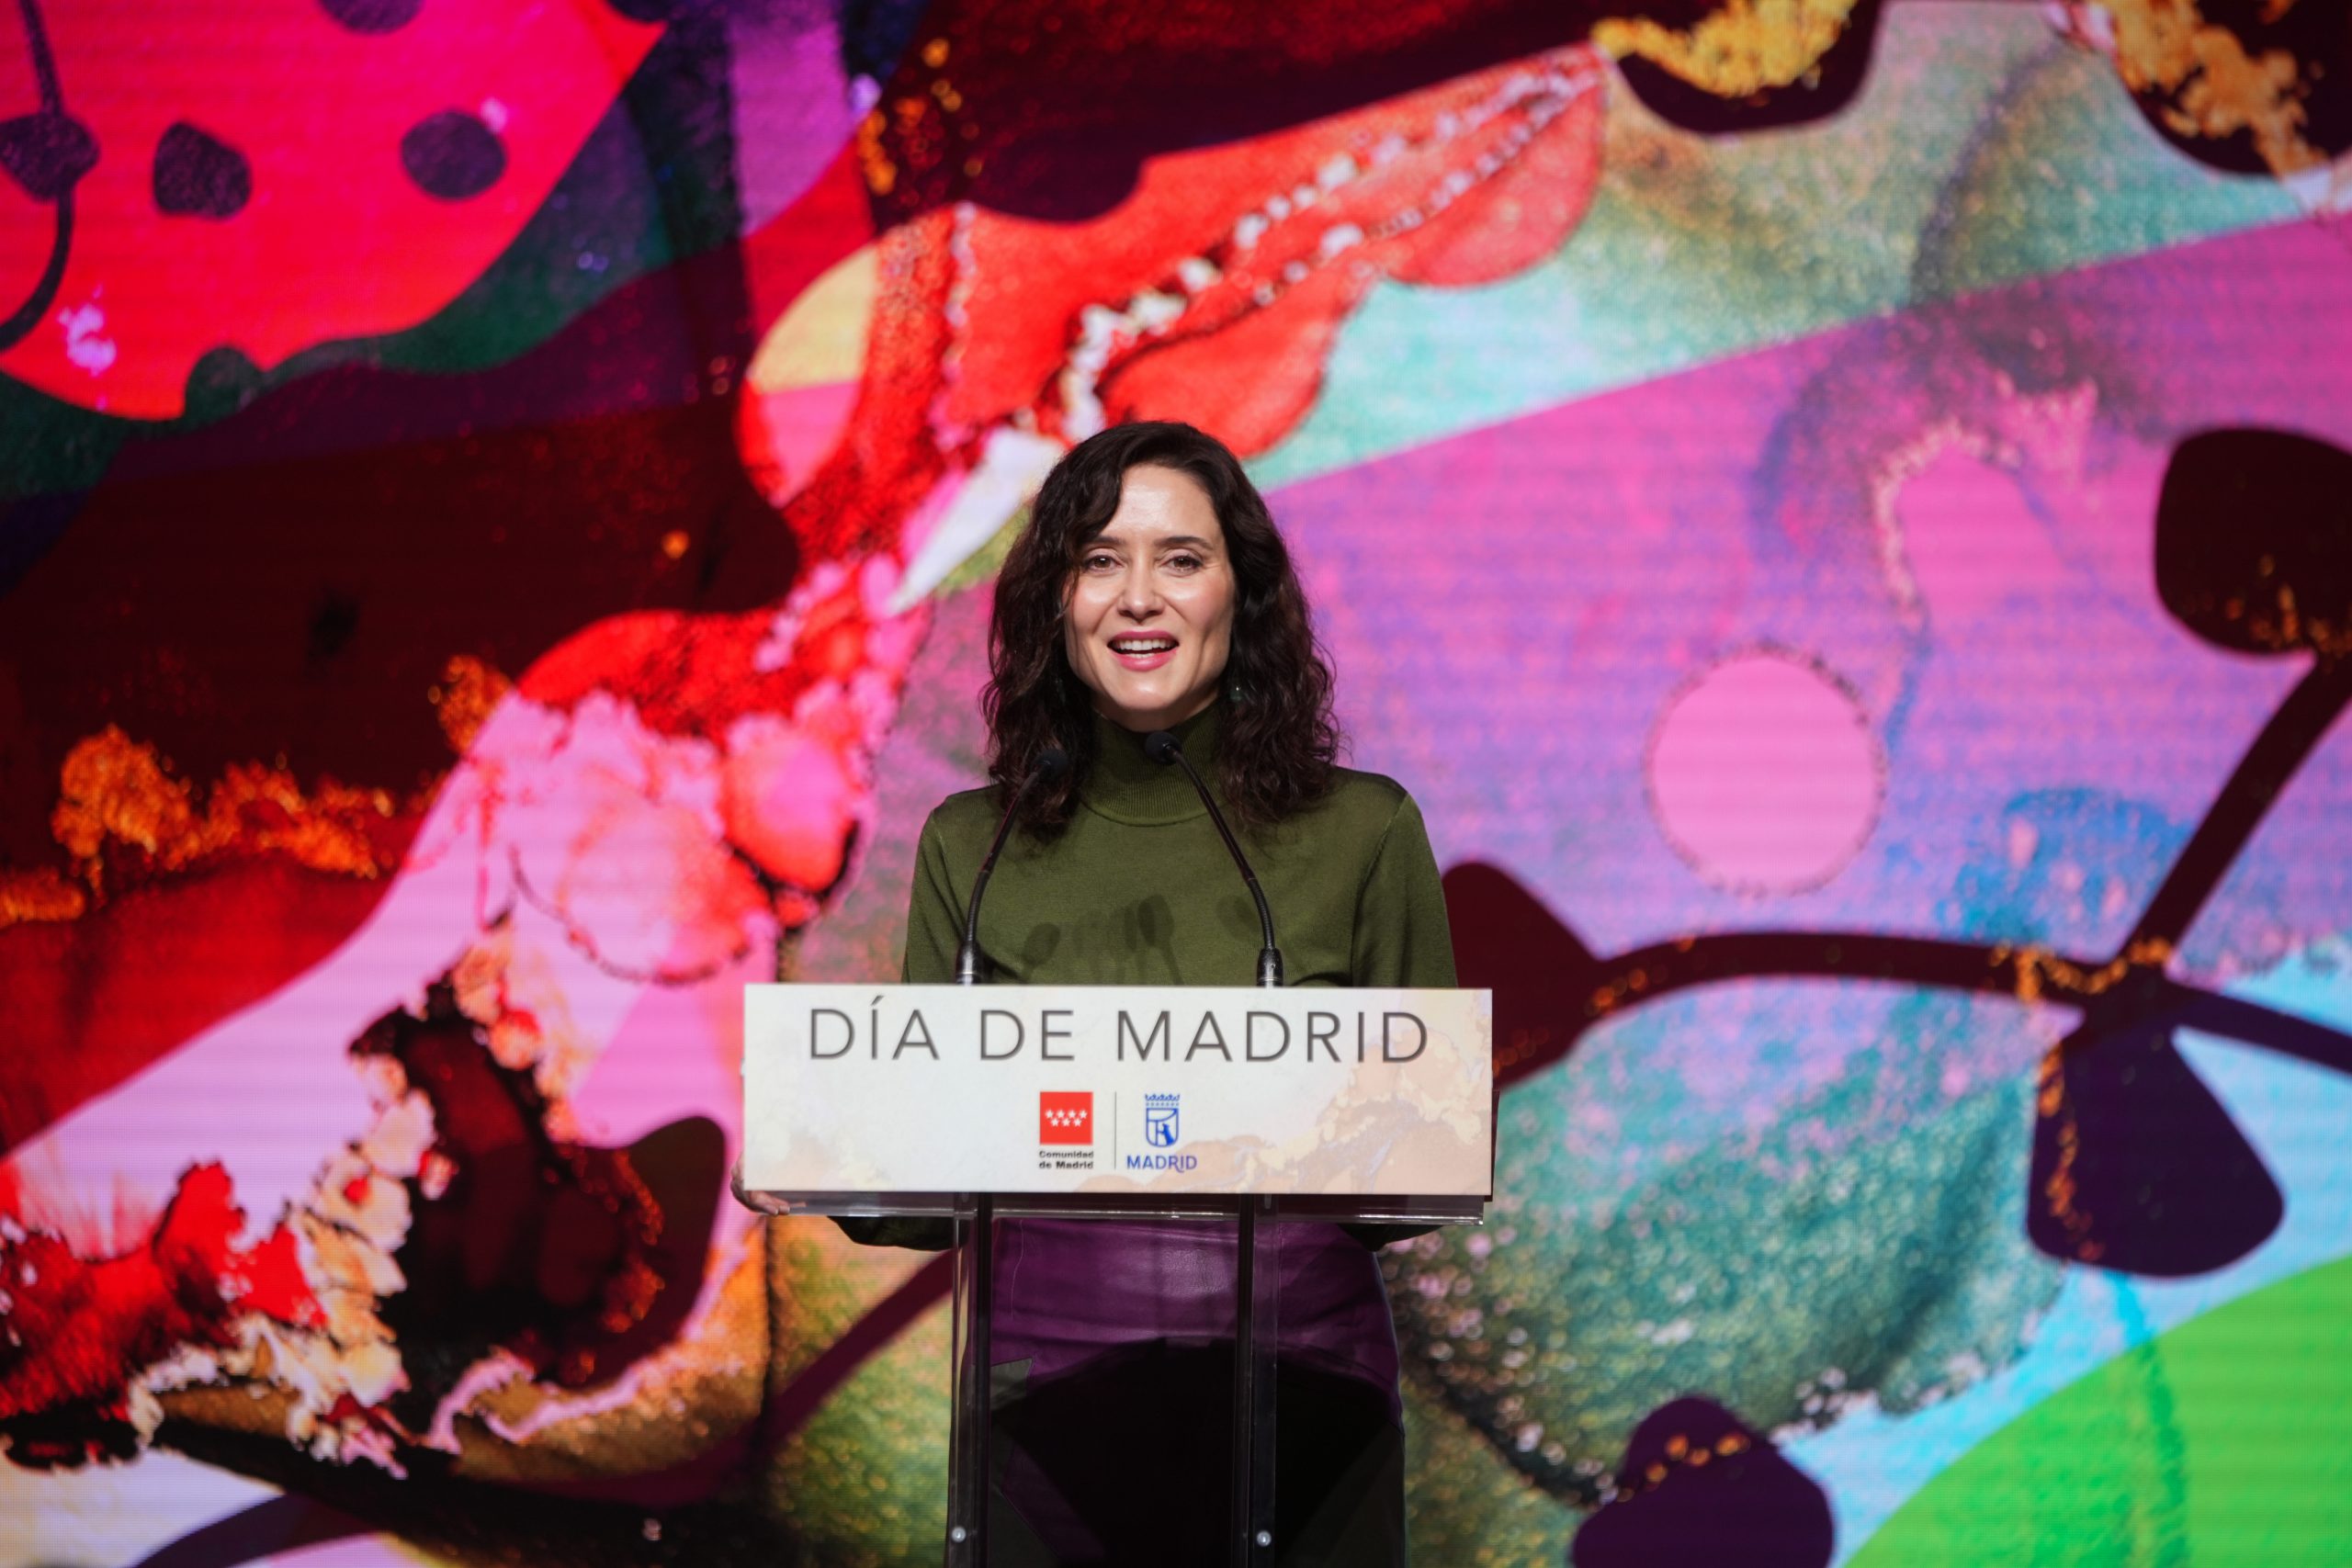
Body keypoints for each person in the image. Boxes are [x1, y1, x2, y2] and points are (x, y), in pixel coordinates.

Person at [869, 420, 1455, 1565]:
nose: (1139, 596)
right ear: (1055, 601)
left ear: (1243, 591)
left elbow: (1414, 1179)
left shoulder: (1364, 833)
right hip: (1039, 1434)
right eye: (1100, 560)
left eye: (1181, 558)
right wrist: (818, 1145)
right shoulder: (972, 846)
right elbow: (916, 1194)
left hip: (1308, 1421)